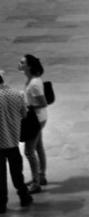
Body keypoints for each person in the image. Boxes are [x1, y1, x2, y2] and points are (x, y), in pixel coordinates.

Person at [0, 68, 32, 212]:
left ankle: (1, 204)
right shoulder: (17, 94)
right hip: (13, 142)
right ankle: (24, 197)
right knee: (17, 173)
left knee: (0, 177)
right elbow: (24, 115)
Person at [18, 55, 48, 193]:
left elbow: (43, 103)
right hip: (37, 118)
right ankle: (41, 176)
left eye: (22, 62)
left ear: (29, 66)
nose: (20, 64)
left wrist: (27, 106)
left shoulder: (34, 83)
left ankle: (36, 182)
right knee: (39, 147)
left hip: (35, 119)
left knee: (29, 151)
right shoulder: (32, 80)